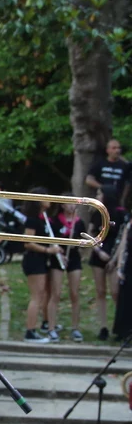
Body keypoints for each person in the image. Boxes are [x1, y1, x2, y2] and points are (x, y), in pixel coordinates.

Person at [22, 189, 62, 343]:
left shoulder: (43, 218)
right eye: (46, 196)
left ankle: (43, 324)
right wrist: (47, 250)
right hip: (34, 260)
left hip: (41, 260)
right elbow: (28, 242)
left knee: (42, 295)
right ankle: (30, 331)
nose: (49, 199)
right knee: (36, 296)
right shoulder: (32, 219)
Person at [88, 185, 127, 341]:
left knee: (116, 292)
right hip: (99, 255)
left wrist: (114, 259)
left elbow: (123, 237)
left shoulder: (120, 213)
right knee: (100, 291)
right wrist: (98, 251)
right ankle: (103, 327)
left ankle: (121, 326)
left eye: (99, 193)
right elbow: (90, 234)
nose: (97, 196)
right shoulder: (97, 213)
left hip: (114, 256)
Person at [54, 196, 86, 342]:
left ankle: (75, 328)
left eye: (74, 203)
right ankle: (52, 327)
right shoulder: (55, 220)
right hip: (58, 258)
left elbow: (85, 241)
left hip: (74, 258)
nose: (72, 206)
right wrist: (59, 252)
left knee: (74, 293)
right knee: (56, 293)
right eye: (69, 203)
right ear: (62, 205)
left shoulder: (79, 222)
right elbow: (51, 240)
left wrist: (79, 244)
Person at [86, 138, 129, 207]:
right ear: (107, 150)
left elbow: (127, 183)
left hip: (117, 201)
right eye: (114, 148)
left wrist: (123, 199)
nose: (117, 150)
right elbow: (89, 179)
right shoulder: (100, 163)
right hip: (101, 200)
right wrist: (103, 187)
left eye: (119, 148)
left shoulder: (124, 165)